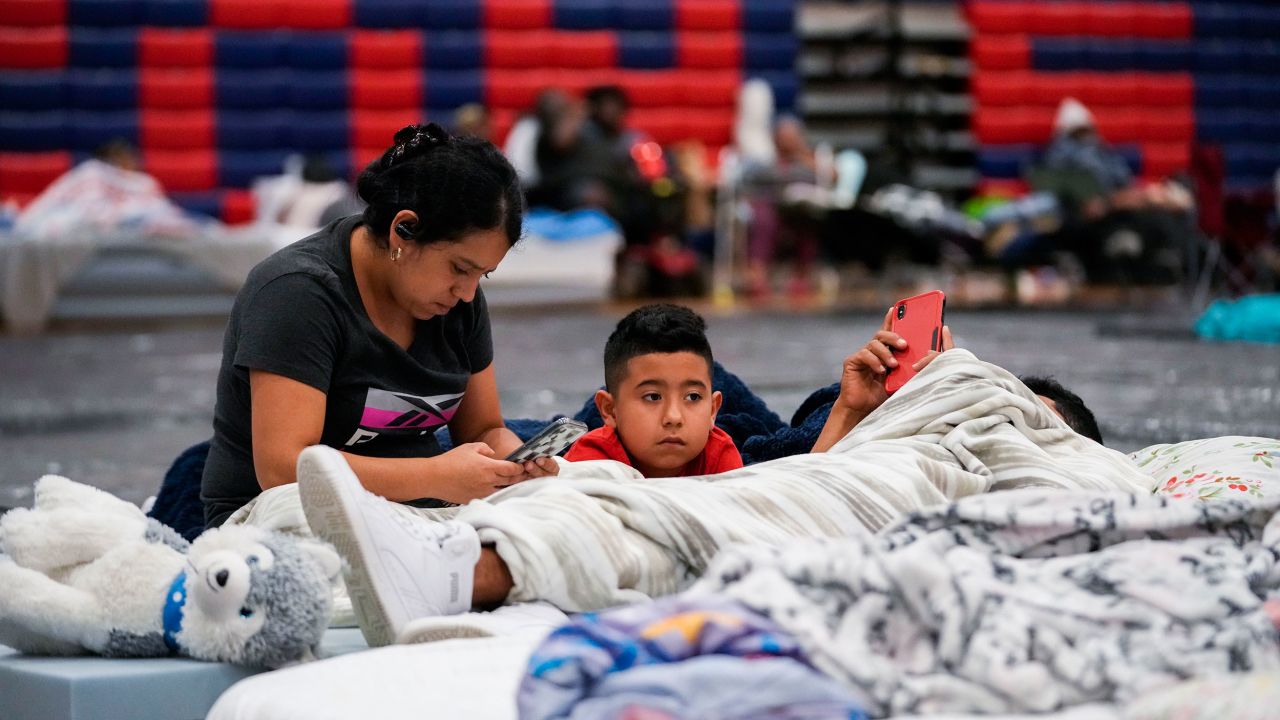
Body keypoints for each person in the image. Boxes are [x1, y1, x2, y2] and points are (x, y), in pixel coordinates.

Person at [200, 122, 556, 529]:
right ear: (403, 230)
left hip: (417, 515)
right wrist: (436, 476)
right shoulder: (297, 293)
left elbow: (483, 428)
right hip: (278, 522)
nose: (468, 293)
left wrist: (516, 467)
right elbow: (283, 470)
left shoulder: (458, 300)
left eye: (483, 275)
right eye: (460, 268)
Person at [561, 304, 744, 477]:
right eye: (653, 397)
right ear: (610, 410)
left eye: (692, 396)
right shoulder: (591, 461)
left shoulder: (718, 456)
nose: (673, 417)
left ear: (712, 411)